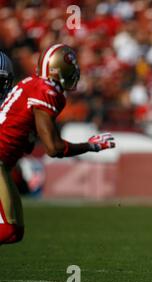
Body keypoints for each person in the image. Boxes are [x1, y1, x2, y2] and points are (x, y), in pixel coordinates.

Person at [0, 45, 116, 245]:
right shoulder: (47, 90)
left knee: (15, 232)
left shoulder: (35, 84)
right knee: (8, 230)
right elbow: (54, 148)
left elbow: (27, 139)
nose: (75, 72)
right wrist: (90, 146)